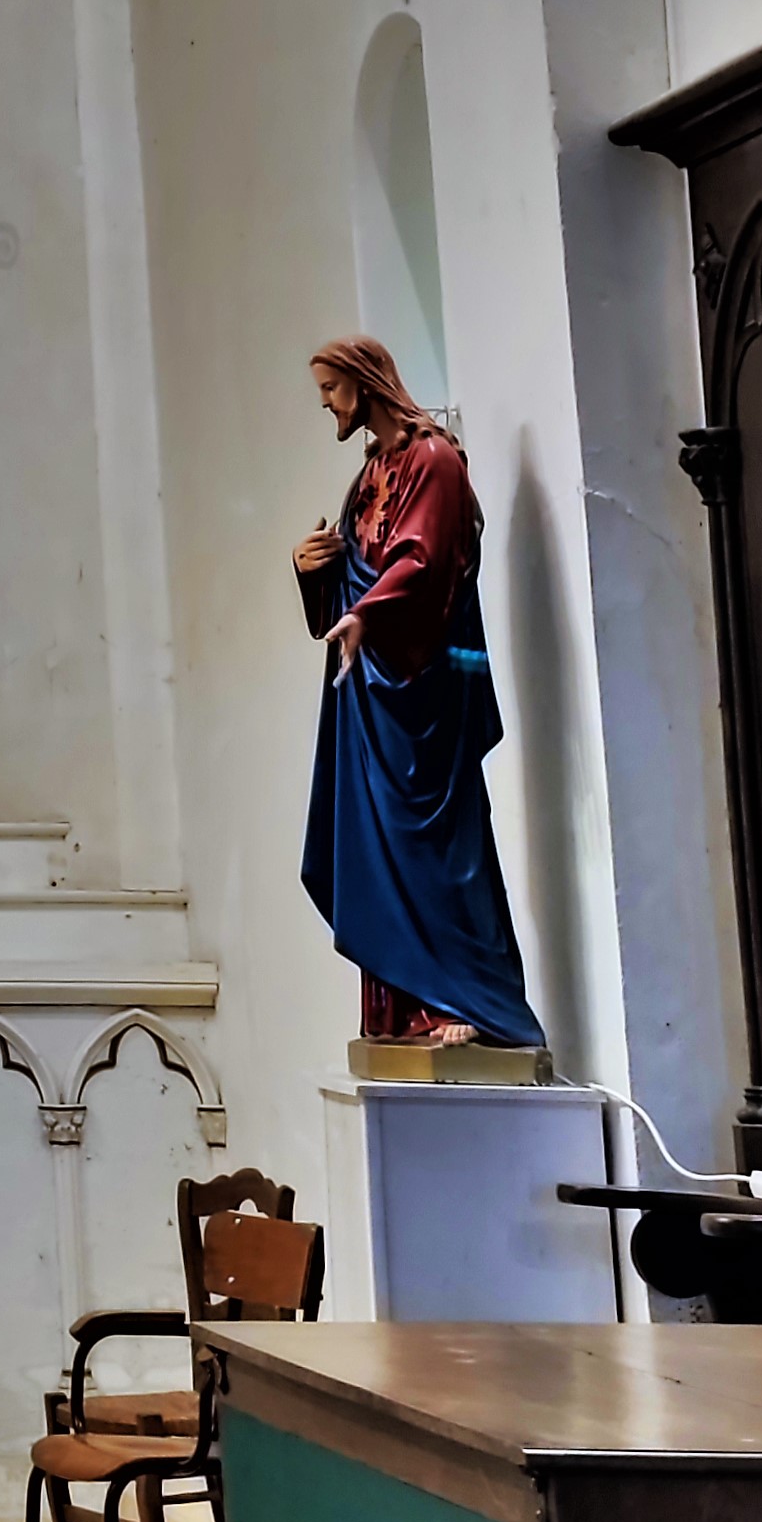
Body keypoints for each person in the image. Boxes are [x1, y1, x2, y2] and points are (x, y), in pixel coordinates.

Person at [293, 334, 545, 1055]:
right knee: (376, 851)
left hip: (422, 695)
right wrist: (312, 568)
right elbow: (355, 572)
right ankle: (404, 1010)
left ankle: (466, 999)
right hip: (369, 697)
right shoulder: (370, 472)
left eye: (330, 389)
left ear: (363, 382)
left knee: (437, 847)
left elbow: (426, 560)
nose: (326, 404)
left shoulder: (432, 460)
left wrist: (367, 613)